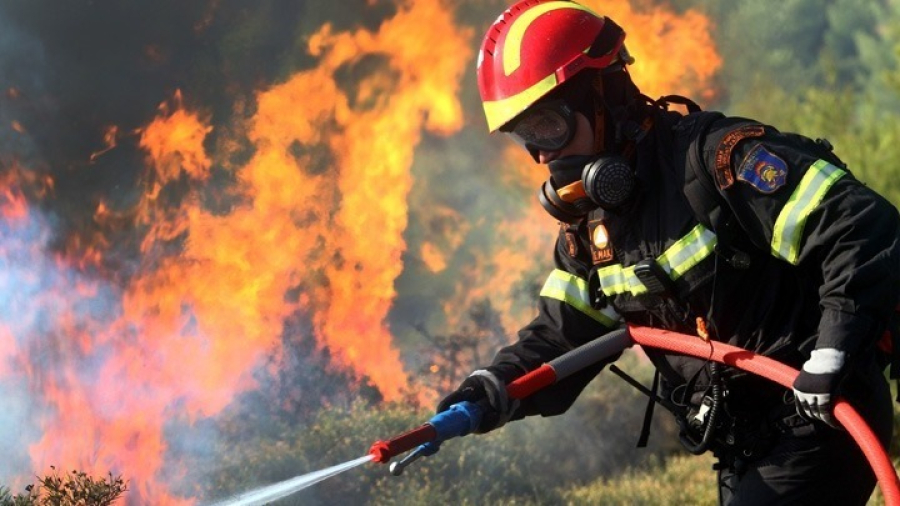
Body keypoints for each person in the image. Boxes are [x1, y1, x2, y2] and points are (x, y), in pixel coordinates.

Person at [436, 1, 900, 504]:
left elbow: (859, 227)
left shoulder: (718, 162)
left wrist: (831, 353)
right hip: (742, 440)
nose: (544, 155)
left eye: (548, 127)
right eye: (527, 137)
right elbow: (562, 332)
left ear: (606, 96)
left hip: (818, 417)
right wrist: (491, 388)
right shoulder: (590, 230)